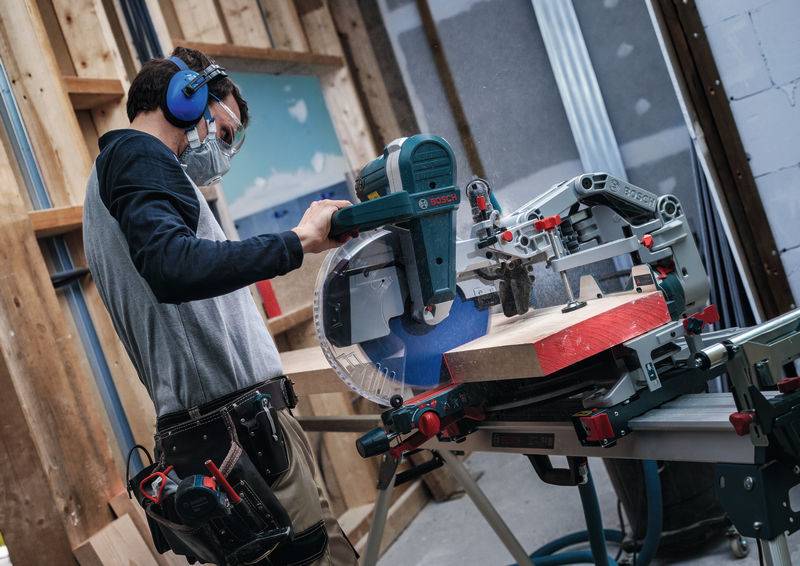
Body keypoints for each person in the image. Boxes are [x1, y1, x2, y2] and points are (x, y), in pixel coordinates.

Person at [83, 45, 358, 565]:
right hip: (236, 430)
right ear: (187, 101)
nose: (221, 149)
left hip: (223, 430)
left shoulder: (125, 173)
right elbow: (174, 266)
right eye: (223, 131)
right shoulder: (139, 157)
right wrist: (298, 241)